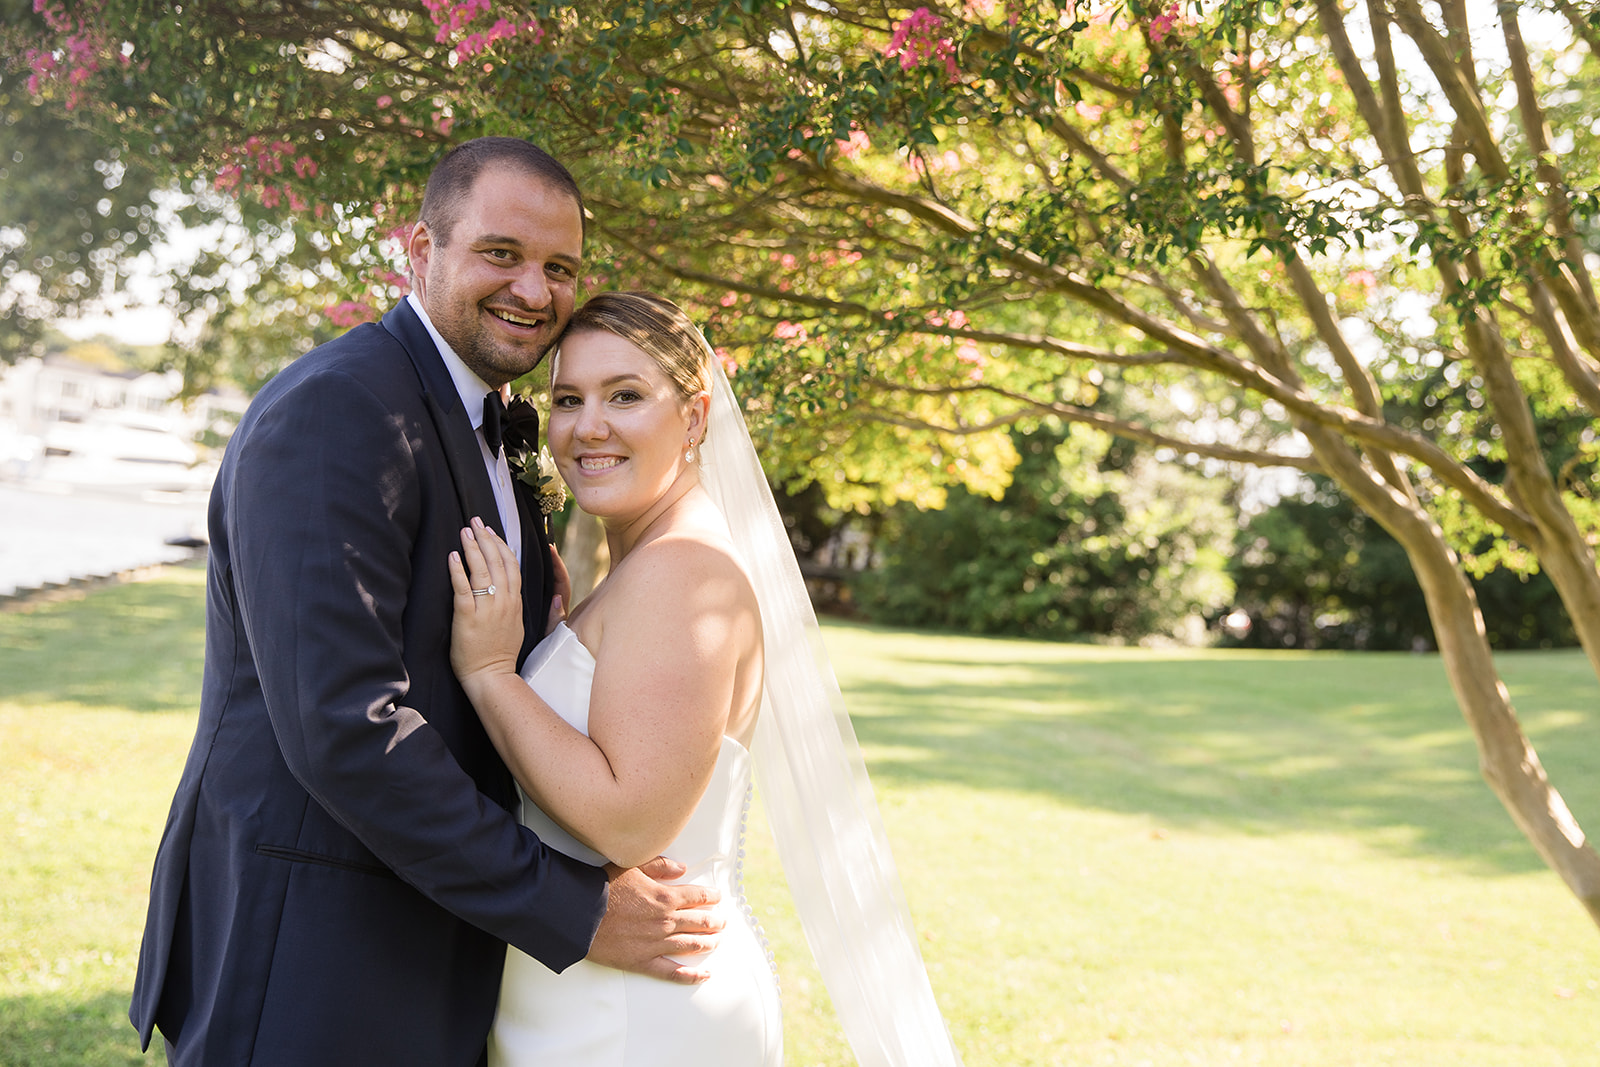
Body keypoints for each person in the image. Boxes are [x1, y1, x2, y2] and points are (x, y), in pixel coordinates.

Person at [129, 140, 721, 1067]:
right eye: (502, 253)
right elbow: (346, 727)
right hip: (317, 948)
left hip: (437, 943)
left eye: (558, 267)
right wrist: (574, 909)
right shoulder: (340, 410)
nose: (533, 289)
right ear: (420, 251)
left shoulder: (495, 427)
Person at [448, 291, 965, 1066]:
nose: (588, 425)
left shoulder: (684, 573)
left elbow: (629, 822)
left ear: (693, 418)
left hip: (638, 1021)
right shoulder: (651, 566)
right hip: (589, 1005)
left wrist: (493, 674)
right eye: (567, 398)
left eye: (625, 395)